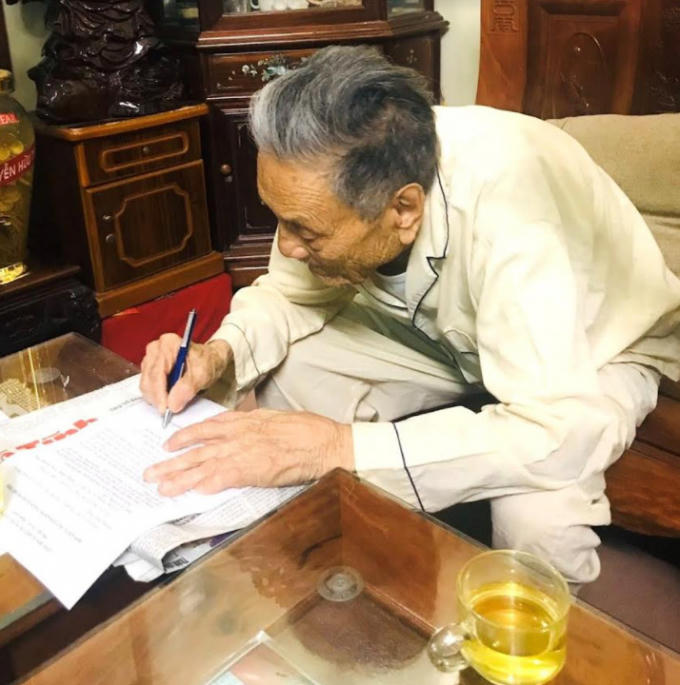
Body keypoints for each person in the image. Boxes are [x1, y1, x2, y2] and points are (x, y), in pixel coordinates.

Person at [139, 46, 680, 585]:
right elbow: (288, 294)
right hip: (444, 338)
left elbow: (553, 429)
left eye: (305, 230)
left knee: (539, 524)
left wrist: (336, 447)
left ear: (404, 209)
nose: (287, 246)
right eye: (279, 219)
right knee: (292, 374)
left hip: (595, 344)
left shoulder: (514, 211)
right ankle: (338, 559)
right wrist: (220, 351)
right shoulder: (341, 166)